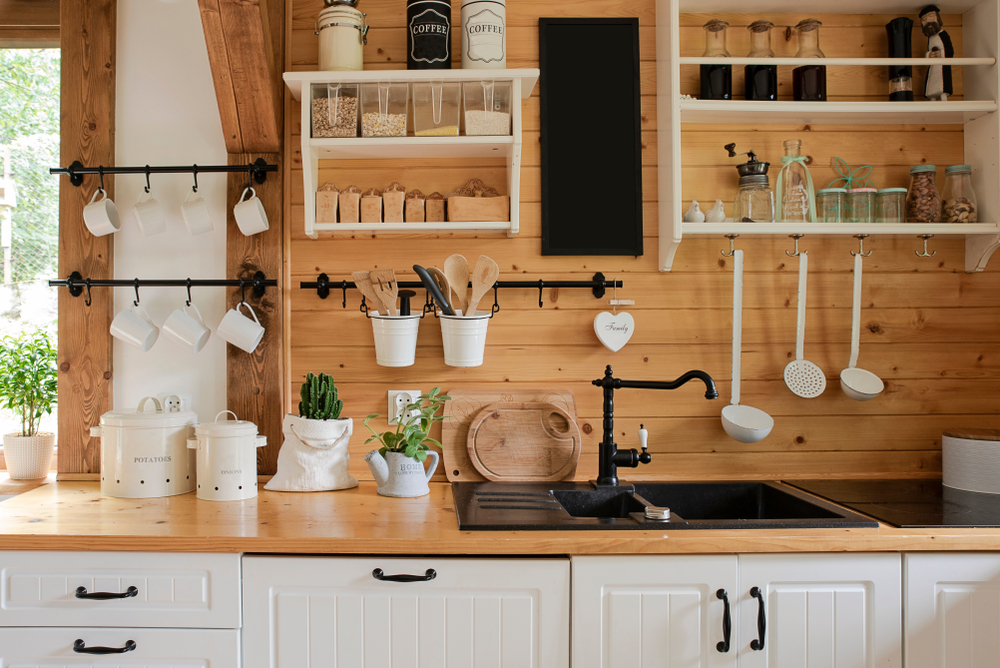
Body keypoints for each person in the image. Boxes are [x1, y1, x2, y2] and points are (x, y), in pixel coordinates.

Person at [920, 5, 954, 101]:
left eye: (931, 16)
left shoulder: (943, 35)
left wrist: (941, 53)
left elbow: (950, 50)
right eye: (924, 19)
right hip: (933, 66)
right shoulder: (930, 38)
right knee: (932, 84)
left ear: (937, 18)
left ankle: (944, 101)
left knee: (942, 85)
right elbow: (929, 51)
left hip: (941, 66)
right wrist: (929, 55)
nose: (928, 21)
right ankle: (932, 100)